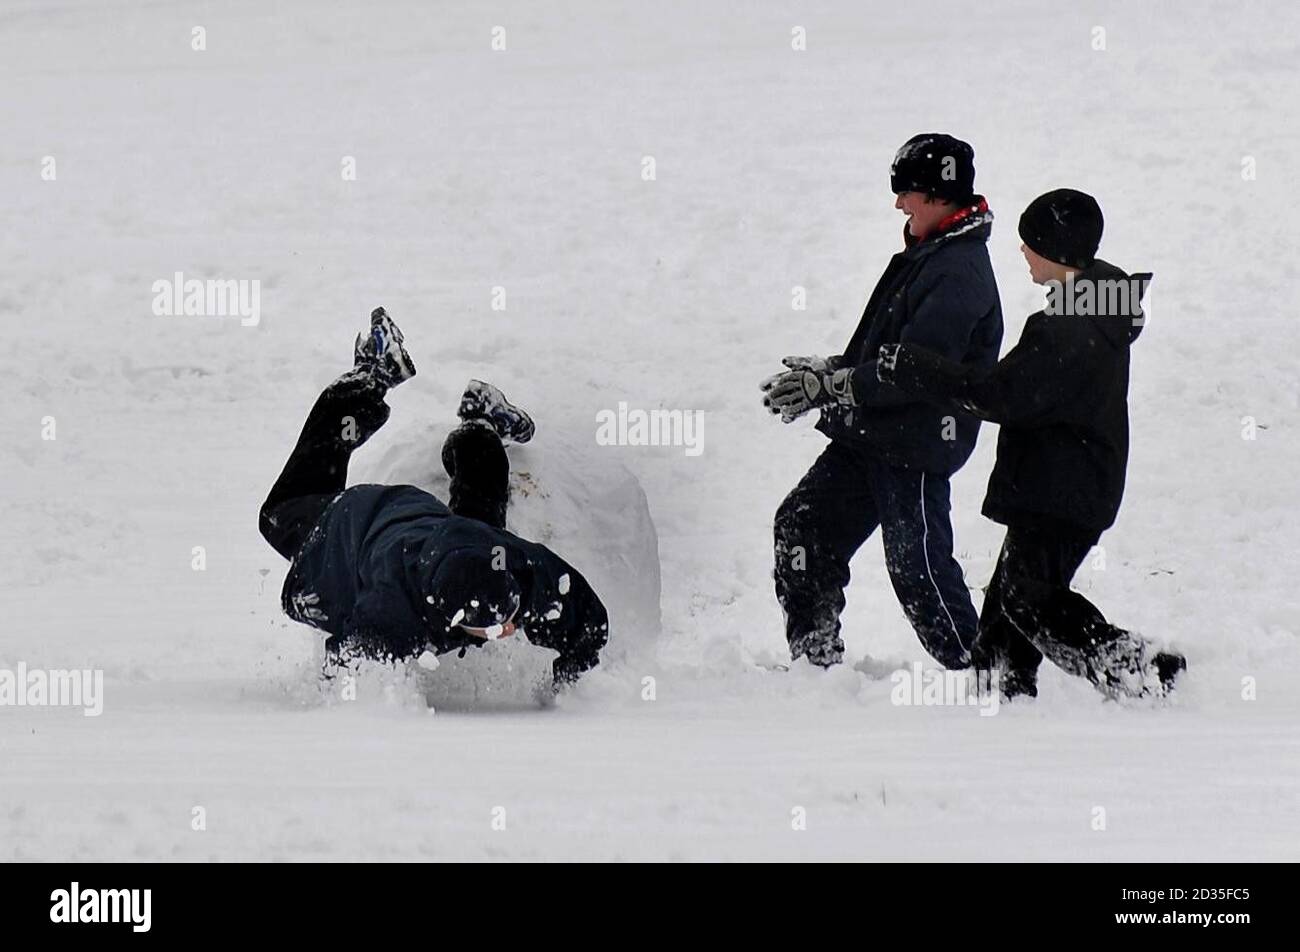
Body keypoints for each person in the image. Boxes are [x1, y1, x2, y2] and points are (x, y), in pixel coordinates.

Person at [877, 188, 1185, 700]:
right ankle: (999, 688)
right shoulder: (1095, 302)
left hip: (1064, 491)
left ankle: (1139, 668)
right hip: (1067, 485)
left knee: (1027, 598)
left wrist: (915, 367)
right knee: (1007, 606)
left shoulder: (1070, 332)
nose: (1022, 251)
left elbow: (1000, 396)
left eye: (1031, 243)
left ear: (1058, 253)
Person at [258, 307, 609, 691]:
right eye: (493, 629)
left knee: (480, 523)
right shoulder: (393, 612)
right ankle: (379, 381)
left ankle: (470, 419)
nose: (508, 630)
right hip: (351, 521)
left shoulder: (516, 566)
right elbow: (346, 673)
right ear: (448, 613)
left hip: (442, 533)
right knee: (278, 514)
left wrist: (571, 680)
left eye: (508, 617)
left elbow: (585, 617)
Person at [761, 133, 1003, 669]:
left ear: (939, 195)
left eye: (906, 192)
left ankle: (980, 668)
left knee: (918, 565)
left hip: (912, 445)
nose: (898, 203)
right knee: (804, 527)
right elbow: (887, 350)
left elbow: (913, 373)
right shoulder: (928, 254)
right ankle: (815, 658)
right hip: (869, 435)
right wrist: (835, 371)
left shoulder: (958, 272)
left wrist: (832, 387)